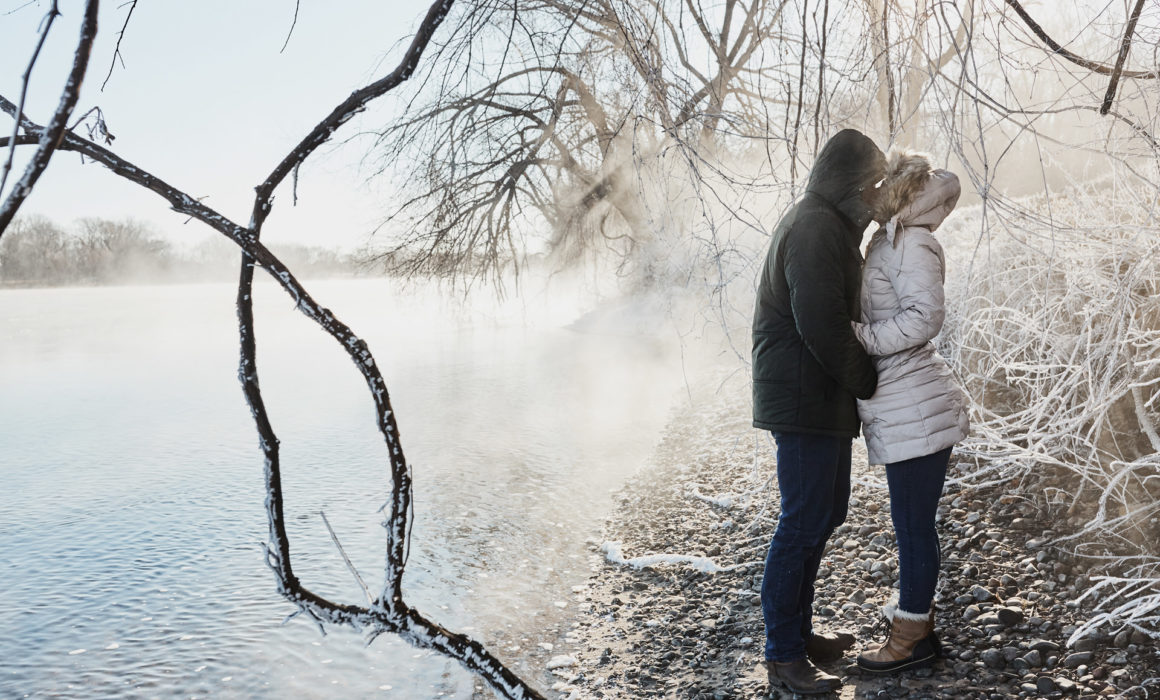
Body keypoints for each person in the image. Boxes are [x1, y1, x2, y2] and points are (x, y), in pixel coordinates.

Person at [752, 128, 885, 695]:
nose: (877, 198)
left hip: (816, 395)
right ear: (849, 182)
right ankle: (782, 656)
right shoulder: (813, 227)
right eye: (873, 185)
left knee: (825, 515)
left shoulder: (828, 222)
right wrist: (867, 381)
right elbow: (821, 323)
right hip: (804, 395)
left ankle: (799, 637)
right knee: (803, 520)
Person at [851, 151, 970, 674]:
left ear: (899, 190)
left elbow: (925, 319)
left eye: (881, 185)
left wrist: (860, 339)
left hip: (915, 403)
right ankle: (918, 628)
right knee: (913, 524)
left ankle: (909, 640)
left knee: (914, 527)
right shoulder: (895, 235)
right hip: (907, 401)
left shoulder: (914, 241)